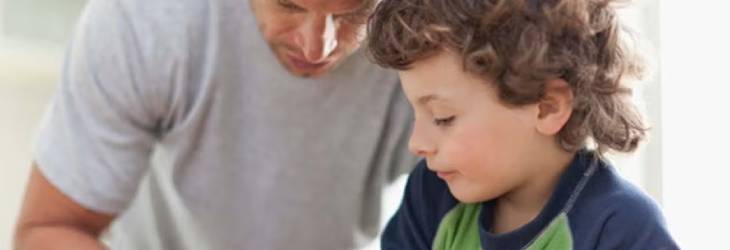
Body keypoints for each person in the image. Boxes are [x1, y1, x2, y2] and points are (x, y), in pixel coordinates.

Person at [13, 0, 416, 249]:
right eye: (288, 5)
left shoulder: (429, 31)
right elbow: (46, 231)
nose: (318, 46)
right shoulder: (149, 22)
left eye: (355, 13)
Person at [366, 0, 678, 249]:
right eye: (415, 114)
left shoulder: (621, 229)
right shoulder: (431, 196)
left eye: (442, 118)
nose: (416, 143)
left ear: (547, 107)